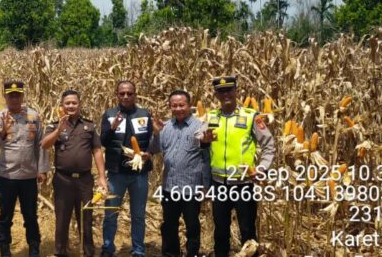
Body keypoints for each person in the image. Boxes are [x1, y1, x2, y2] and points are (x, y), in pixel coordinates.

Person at [205, 76, 276, 257]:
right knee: (220, 230)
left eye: (229, 90)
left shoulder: (251, 116)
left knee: (247, 230)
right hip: (219, 184)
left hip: (243, 184)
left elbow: (269, 145)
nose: (226, 94)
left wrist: (262, 168)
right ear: (216, 95)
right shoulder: (210, 116)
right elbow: (201, 144)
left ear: (236, 91)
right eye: (221, 91)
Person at [41, 89, 108, 257]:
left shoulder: (89, 126)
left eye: (74, 103)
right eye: (67, 103)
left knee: (86, 218)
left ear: (79, 104)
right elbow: (45, 145)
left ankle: (88, 252)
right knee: (62, 219)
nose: (71, 106)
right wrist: (59, 130)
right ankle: (61, 252)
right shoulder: (54, 125)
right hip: (63, 180)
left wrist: (102, 177)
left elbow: (97, 151)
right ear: (62, 105)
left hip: (85, 180)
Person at [0, 81, 49, 257]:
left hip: (28, 176)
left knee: (30, 215)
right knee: (5, 215)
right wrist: (3, 132)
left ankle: (34, 248)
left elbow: (41, 144)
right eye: (11, 95)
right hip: (6, 175)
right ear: (5, 96)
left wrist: (42, 169)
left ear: (22, 96)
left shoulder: (33, 116)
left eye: (18, 95)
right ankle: (4, 248)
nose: (14, 99)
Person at [99, 81, 155, 257]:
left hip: (139, 174)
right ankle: (108, 248)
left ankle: (138, 250)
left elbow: (152, 140)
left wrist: (149, 153)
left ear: (135, 95)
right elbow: (102, 142)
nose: (125, 96)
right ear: (117, 95)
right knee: (110, 213)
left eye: (129, 93)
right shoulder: (110, 115)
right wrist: (112, 128)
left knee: (138, 215)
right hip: (117, 173)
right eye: (122, 93)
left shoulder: (144, 114)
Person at [152, 90, 208, 257]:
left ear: (189, 105)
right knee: (169, 225)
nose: (178, 109)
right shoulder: (165, 127)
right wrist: (156, 133)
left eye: (181, 105)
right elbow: (154, 149)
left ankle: (192, 253)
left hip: (192, 186)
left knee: (192, 225)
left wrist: (206, 185)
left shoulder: (201, 127)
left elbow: (207, 158)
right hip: (169, 186)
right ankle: (171, 254)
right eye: (174, 106)